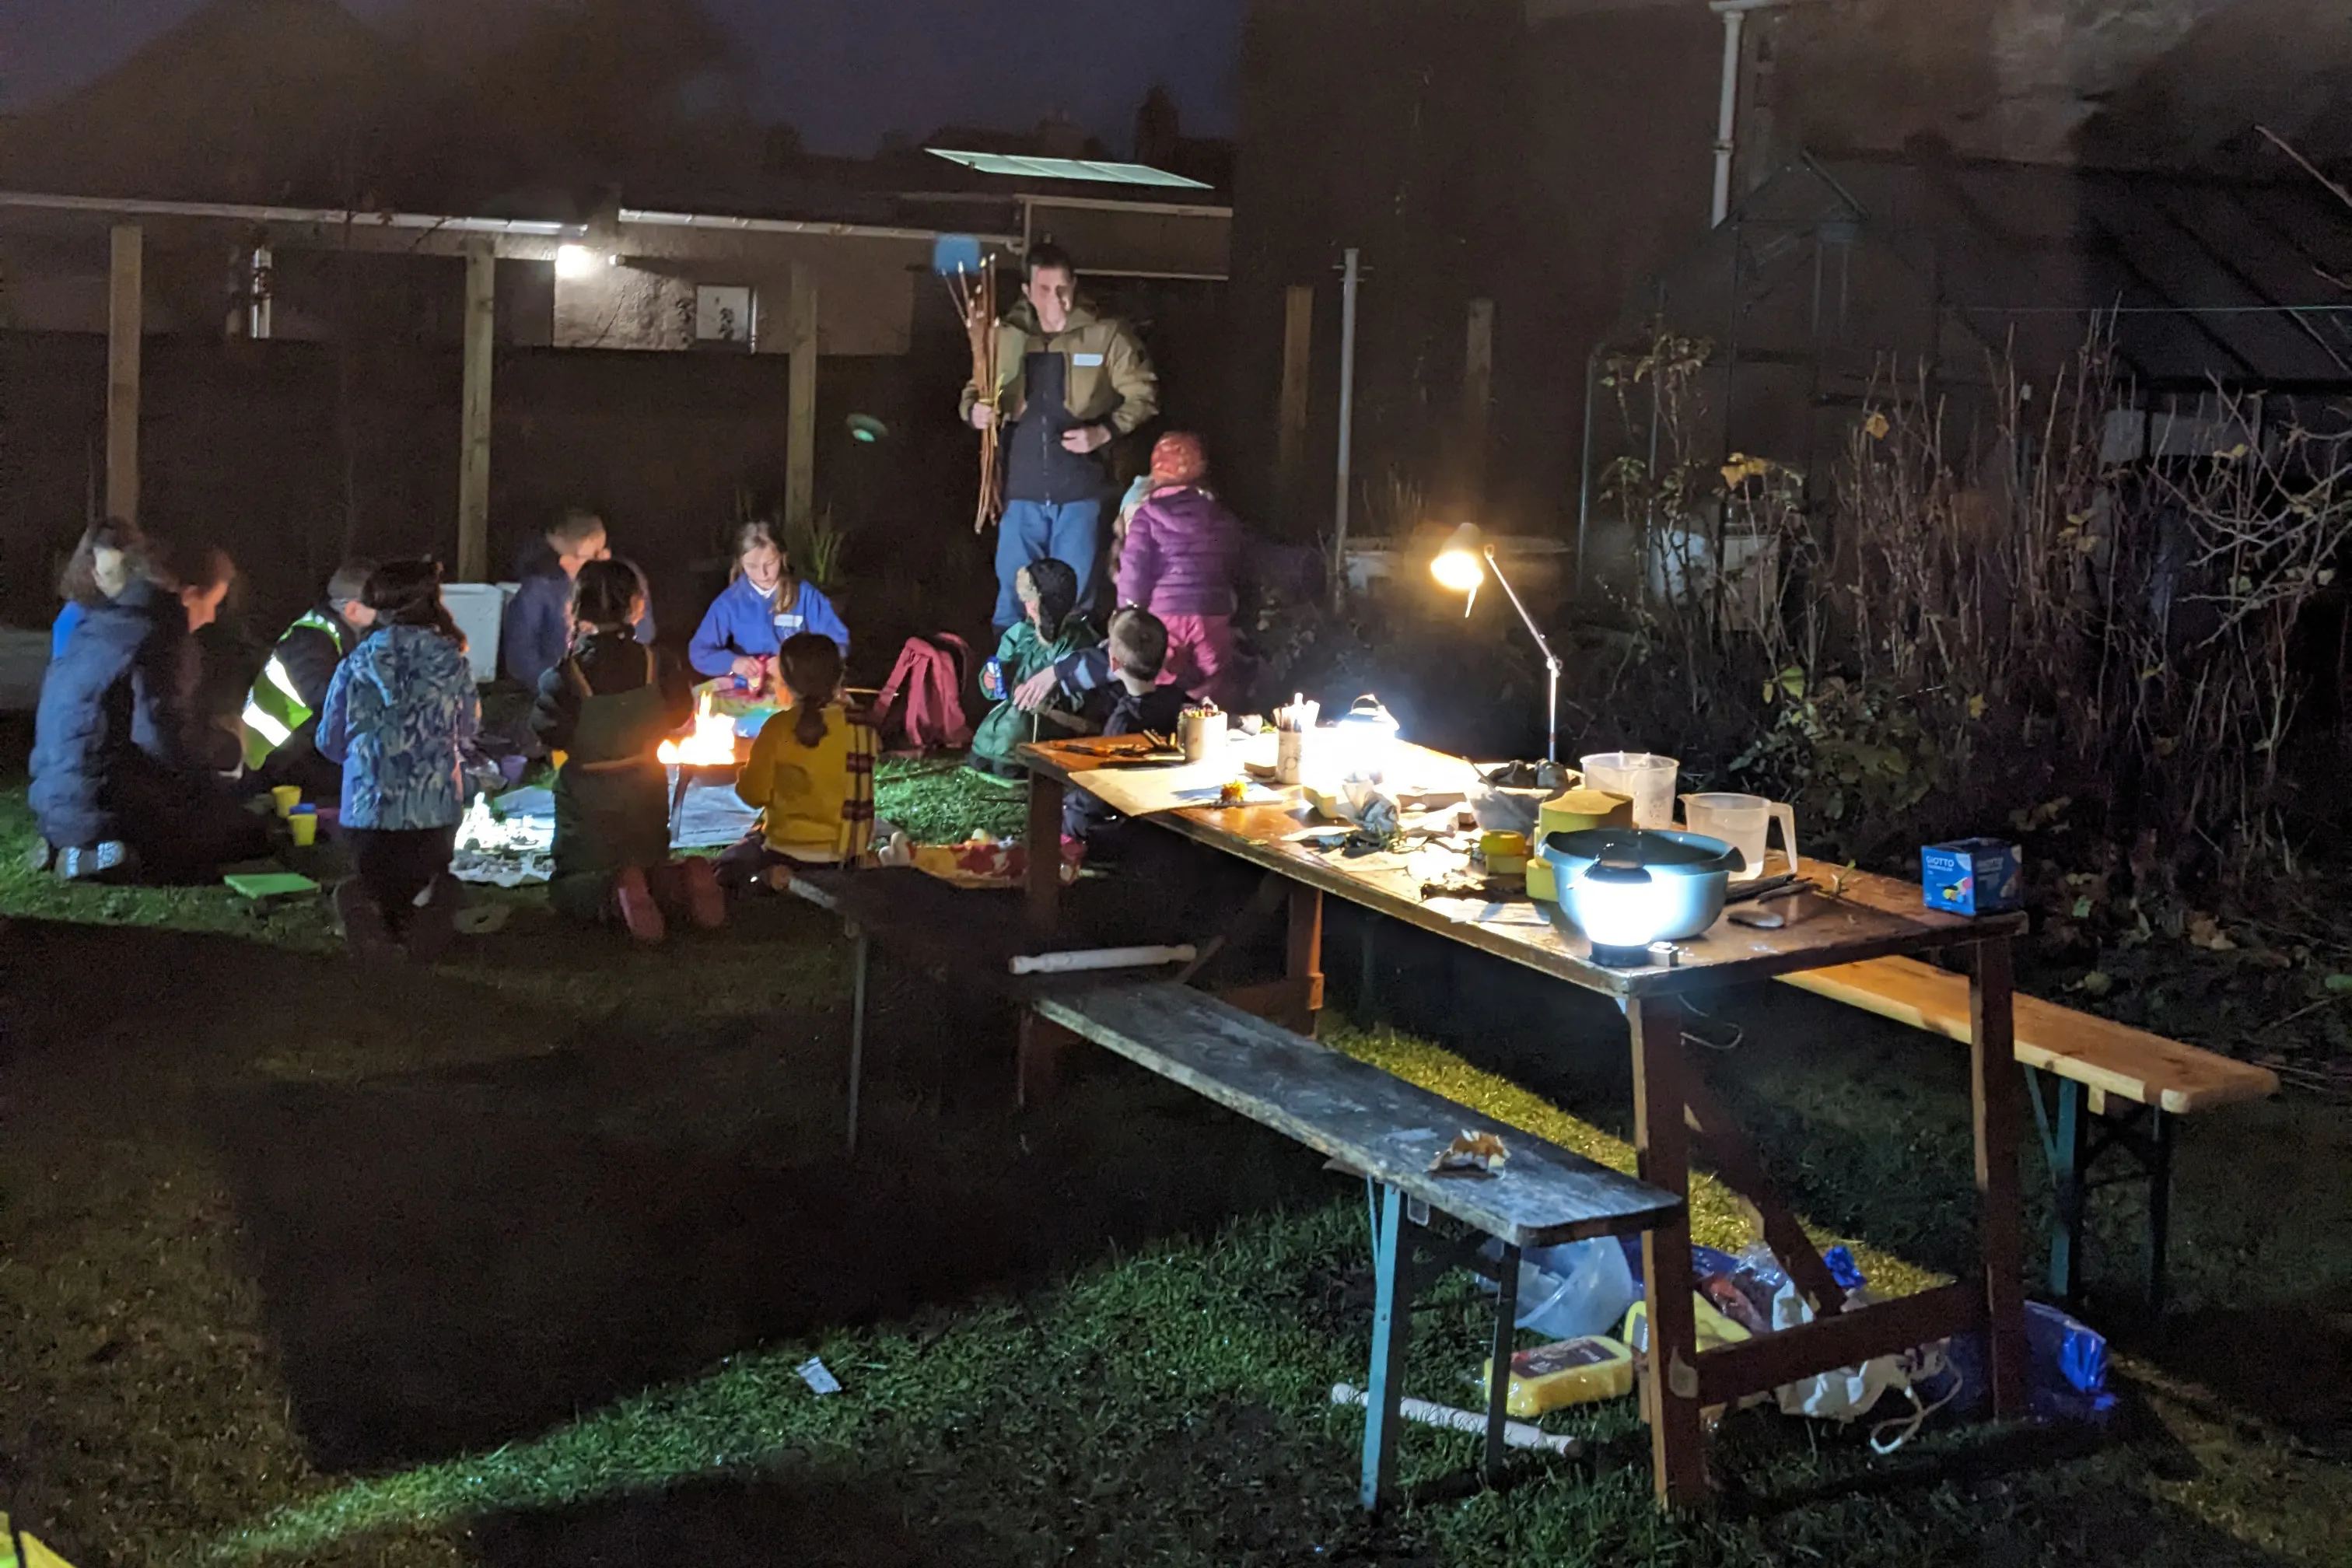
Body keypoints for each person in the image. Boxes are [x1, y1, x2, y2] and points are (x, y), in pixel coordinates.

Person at [29, 540, 268, 883]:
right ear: (188, 594)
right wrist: (218, 756)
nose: (213, 616)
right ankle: (107, 850)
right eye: (212, 603)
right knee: (246, 833)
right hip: (104, 802)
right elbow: (161, 738)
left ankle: (67, 845)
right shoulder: (163, 634)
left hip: (53, 799)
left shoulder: (95, 620)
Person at [961, 243, 1157, 633]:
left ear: (1075, 285)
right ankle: (1012, 686)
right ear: (1027, 291)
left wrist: (1104, 431)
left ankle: (1069, 685)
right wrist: (976, 412)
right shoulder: (1004, 336)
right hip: (1022, 487)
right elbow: (973, 392)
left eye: (1064, 288)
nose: (1058, 299)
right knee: (1015, 597)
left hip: (1080, 489)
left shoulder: (1104, 335)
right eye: (1047, 289)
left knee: (1075, 598)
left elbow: (1144, 394)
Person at [533, 559, 724, 943]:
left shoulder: (566, 676)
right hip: (646, 784)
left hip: (588, 793)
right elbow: (680, 714)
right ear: (637, 607)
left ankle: (613, 890)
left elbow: (549, 732)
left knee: (573, 882)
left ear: (574, 608)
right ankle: (680, 877)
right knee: (650, 860)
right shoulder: (659, 663)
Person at [317, 560, 478, 961]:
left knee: (376, 881)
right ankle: (427, 909)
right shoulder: (453, 662)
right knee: (434, 879)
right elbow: (470, 729)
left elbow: (329, 741)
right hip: (434, 814)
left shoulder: (354, 663)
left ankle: (368, 907)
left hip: (367, 816)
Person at [720, 633, 877, 890]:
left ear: (785, 682)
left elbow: (752, 795)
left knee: (730, 860)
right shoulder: (863, 726)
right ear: (838, 676)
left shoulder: (779, 728)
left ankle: (772, 879)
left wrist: (744, 774)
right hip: (849, 855)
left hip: (789, 851)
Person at [1114, 432, 1244, 708]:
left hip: (1163, 614)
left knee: (1161, 673)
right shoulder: (1219, 516)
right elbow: (1231, 555)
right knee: (1213, 677)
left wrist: (1127, 611)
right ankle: (1209, 726)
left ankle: (1165, 726)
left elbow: (1134, 567)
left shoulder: (1146, 516)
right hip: (1211, 610)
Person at [240, 557, 377, 796]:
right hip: (272, 763)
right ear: (354, 609)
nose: (382, 615)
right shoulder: (311, 641)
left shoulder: (331, 634)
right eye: (377, 606)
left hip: (293, 753)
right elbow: (331, 704)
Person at [1062, 610, 1191, 850]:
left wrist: (1071, 804)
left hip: (1127, 826)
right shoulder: (1176, 700)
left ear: (1113, 663)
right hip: (1163, 815)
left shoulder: (1123, 722)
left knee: (1073, 814)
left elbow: (1100, 795)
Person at [968, 558, 1097, 780]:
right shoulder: (1020, 633)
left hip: (1044, 719)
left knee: (1007, 763)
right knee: (981, 757)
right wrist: (991, 679)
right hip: (1012, 711)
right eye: (1026, 601)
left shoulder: (1075, 639)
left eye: (1034, 601)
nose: (1029, 608)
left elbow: (1075, 692)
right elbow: (1002, 662)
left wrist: (1045, 694)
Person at [686, 519, 849, 693]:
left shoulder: (806, 596)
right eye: (752, 566)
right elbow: (699, 652)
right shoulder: (730, 602)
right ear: (740, 563)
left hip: (798, 691)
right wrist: (733, 662)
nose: (762, 574)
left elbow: (839, 645)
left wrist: (792, 664)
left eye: (770, 564)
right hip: (748, 694)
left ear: (783, 557)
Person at [501, 508, 655, 689]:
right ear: (567, 562)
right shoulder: (539, 590)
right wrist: (559, 686)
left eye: (605, 549)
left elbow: (646, 633)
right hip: (561, 693)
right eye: (595, 554)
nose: (606, 558)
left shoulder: (625, 577)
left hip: (618, 687)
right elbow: (521, 658)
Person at [50, 516, 147, 660]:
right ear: (91, 570)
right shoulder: (73, 618)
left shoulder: (148, 612)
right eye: (109, 572)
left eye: (129, 569)